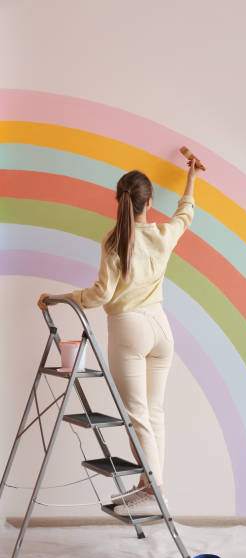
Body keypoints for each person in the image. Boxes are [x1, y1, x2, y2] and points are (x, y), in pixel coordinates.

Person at [38, 156, 202, 515]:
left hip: (129, 329)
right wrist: (191, 178)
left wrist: (61, 297)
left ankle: (154, 491)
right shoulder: (162, 234)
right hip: (161, 329)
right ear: (150, 202)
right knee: (153, 413)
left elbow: (100, 296)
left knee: (137, 414)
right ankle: (148, 486)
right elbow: (185, 214)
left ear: (119, 200)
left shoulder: (115, 241)